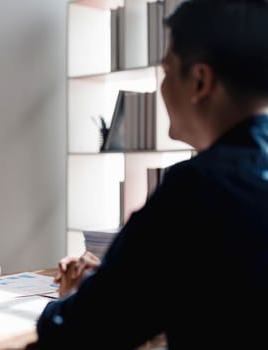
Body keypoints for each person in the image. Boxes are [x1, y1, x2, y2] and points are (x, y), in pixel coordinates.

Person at [36, 0, 268, 348]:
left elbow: (80, 331)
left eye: (166, 70)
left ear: (200, 81)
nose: (162, 87)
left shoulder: (195, 190)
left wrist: (69, 298)